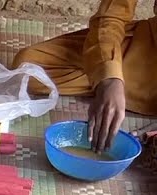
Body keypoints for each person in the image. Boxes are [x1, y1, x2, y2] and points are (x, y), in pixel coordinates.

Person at [12, 0, 157, 152]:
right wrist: (109, 79)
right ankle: (109, 86)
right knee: (27, 69)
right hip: (142, 49)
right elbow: (112, 16)